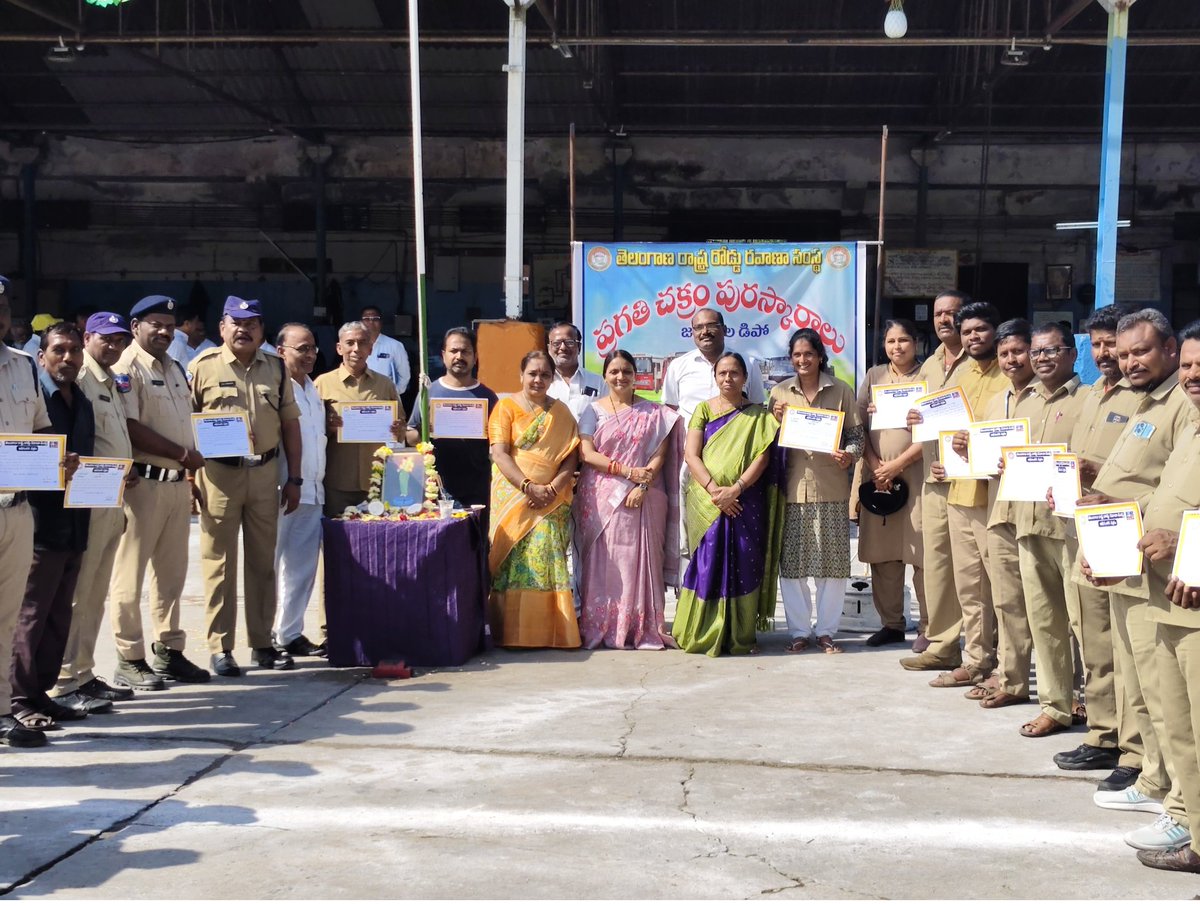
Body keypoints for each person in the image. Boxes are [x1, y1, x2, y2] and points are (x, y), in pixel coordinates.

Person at [1078, 308, 1192, 845]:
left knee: (1168, 694)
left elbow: (1167, 495)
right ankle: (1155, 780)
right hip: (1134, 554)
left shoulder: (1182, 406)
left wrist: (1115, 506)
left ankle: (1177, 799)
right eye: (1123, 354)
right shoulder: (1139, 400)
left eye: (1140, 351)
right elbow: (1151, 485)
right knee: (1142, 684)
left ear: (1168, 349)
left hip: (1171, 568)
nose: (1128, 361)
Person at [190, 296, 303, 677]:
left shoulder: (275, 368)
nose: (243, 329)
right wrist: (191, 476)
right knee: (218, 564)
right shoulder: (201, 367)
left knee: (262, 563)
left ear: (262, 331)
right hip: (218, 476)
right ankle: (220, 648)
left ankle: (261, 643)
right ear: (222, 328)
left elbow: (290, 424)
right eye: (235, 322)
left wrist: (295, 478)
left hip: (265, 473)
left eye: (252, 323)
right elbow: (184, 424)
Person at [1126, 320, 1200, 873]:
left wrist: (1186, 543)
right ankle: (1196, 836)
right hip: (1165, 591)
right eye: (1191, 366)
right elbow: (1161, 498)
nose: (1193, 376)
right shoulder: (1193, 426)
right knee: (1179, 726)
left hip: (1194, 602)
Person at [903, 300, 1008, 688]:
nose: (972, 336)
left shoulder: (1010, 374)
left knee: (1001, 584)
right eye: (967, 331)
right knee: (968, 583)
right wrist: (924, 425)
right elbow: (950, 426)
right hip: (956, 487)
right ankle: (975, 659)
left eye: (979, 329)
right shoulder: (961, 374)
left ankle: (1007, 667)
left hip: (994, 493)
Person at [109, 295, 210, 689]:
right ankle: (129, 657)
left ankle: (169, 650)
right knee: (129, 577)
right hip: (142, 486)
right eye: (156, 324)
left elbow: (184, 423)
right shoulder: (126, 368)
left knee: (171, 577)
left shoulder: (174, 367)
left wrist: (189, 475)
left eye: (169, 325)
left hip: (173, 486)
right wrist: (183, 454)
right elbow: (130, 426)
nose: (165, 332)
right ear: (135, 328)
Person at [1065, 303, 1145, 791]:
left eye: (1111, 342)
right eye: (1096, 344)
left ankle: (1133, 751)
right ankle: (1102, 733)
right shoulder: (1095, 393)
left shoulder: (1149, 399)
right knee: (1093, 637)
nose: (1106, 353)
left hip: (1125, 529)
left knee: (1128, 648)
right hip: (1086, 527)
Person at [52, 314, 139, 710]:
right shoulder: (81, 376)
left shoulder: (108, 378)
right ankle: (65, 679)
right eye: (106, 339)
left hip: (110, 496)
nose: (114, 346)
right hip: (85, 499)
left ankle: (84, 673)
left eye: (121, 340)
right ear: (88, 337)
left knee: (95, 594)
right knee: (77, 594)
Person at [11, 324, 94, 732]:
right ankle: (19, 698)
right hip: (40, 524)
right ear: (41, 355)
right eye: (59, 350)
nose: (68, 358)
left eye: (75, 351)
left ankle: (41, 692)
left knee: (58, 614)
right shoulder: (38, 395)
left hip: (75, 522)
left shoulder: (81, 398)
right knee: (30, 615)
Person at [672, 352, 782, 656]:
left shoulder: (759, 416)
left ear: (745, 378)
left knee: (744, 560)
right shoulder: (703, 410)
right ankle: (700, 631)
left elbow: (763, 457)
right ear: (715, 377)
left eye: (734, 373)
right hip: (706, 502)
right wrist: (714, 490)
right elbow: (691, 454)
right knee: (706, 561)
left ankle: (738, 633)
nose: (728, 379)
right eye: (722, 373)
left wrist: (736, 489)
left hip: (745, 501)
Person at [574, 349, 683, 649]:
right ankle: (602, 625)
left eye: (627, 371)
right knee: (603, 563)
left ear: (636, 376)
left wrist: (642, 486)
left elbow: (659, 455)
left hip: (641, 499)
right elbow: (586, 453)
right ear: (605, 375)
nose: (620, 377)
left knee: (636, 562)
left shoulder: (654, 413)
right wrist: (626, 471)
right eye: (614, 371)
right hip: (601, 498)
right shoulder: (592, 411)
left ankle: (638, 626)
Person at [1008, 321, 1084, 739]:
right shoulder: (1025, 401)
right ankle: (1055, 706)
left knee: (1082, 622)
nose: (1041, 359)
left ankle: (1093, 703)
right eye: (1036, 352)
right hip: (1029, 522)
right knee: (1044, 621)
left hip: (1070, 528)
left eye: (1051, 351)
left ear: (1072, 354)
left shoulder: (1086, 400)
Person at [769, 329, 863, 654]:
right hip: (792, 490)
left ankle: (825, 632)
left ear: (820, 355)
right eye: (797, 355)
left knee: (832, 566)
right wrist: (773, 419)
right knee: (792, 567)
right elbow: (767, 444)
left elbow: (856, 435)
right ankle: (798, 631)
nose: (803, 360)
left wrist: (848, 454)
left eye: (808, 354)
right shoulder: (779, 394)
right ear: (790, 358)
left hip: (831, 488)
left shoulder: (841, 390)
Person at [487, 350, 581, 648]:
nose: (538, 379)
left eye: (544, 374)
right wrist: (528, 486)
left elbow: (571, 457)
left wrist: (551, 489)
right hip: (514, 496)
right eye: (533, 373)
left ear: (552, 378)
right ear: (521, 375)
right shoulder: (505, 407)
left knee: (546, 558)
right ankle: (510, 632)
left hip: (551, 500)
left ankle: (547, 631)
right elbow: (500, 453)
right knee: (513, 563)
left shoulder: (562, 413)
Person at [965, 318, 1036, 708]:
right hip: (1000, 511)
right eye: (1005, 354)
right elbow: (983, 456)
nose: (1011, 360)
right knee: (1007, 601)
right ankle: (1012, 680)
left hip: (1040, 515)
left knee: (1054, 609)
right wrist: (964, 453)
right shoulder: (997, 402)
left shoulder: (1049, 398)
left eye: (1018, 352)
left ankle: (1073, 692)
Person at [0, 281, 57, 748]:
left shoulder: (22, 367)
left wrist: (57, 458)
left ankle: (1, 710)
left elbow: (40, 428)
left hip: (17, 510)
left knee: (6, 616)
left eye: (1, 308)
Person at [906, 290, 970, 653]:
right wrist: (913, 417)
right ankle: (942, 641)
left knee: (973, 569)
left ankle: (982, 645)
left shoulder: (982, 362)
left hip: (970, 479)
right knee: (937, 563)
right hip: (933, 478)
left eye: (952, 313)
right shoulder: (929, 365)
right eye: (938, 314)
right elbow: (922, 415)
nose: (944, 319)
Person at [856, 318, 926, 647]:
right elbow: (859, 424)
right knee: (883, 556)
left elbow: (937, 427)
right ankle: (892, 623)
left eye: (903, 341)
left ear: (917, 343)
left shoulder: (929, 376)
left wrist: (898, 464)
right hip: (879, 477)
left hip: (917, 473)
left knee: (922, 553)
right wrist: (875, 466)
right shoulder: (874, 376)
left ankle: (929, 626)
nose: (896, 347)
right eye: (890, 341)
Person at [272, 323, 328, 659]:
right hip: (282, 489)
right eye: (301, 349)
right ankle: (265, 637)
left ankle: (289, 633)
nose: (308, 355)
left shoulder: (312, 388)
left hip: (313, 489)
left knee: (302, 568)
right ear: (281, 351)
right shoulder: (274, 387)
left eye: (312, 349)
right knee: (271, 566)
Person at [314, 320, 405, 517]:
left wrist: (398, 430)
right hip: (337, 480)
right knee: (337, 540)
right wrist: (328, 427)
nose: (356, 349)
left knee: (376, 541)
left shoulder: (385, 384)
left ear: (370, 349)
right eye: (350, 343)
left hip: (376, 480)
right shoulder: (323, 384)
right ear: (339, 348)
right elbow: (309, 431)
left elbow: (402, 427)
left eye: (363, 343)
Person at [406, 327, 498, 512]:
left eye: (465, 351)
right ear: (443, 355)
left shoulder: (487, 396)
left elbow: (499, 443)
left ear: (475, 356)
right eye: (453, 351)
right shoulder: (429, 392)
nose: (459, 356)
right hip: (437, 488)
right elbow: (410, 436)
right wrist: (427, 430)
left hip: (478, 488)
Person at [661, 309, 765, 426]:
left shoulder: (749, 364)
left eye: (711, 326)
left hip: (733, 441)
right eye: (698, 327)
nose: (705, 332)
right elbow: (669, 411)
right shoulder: (678, 366)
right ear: (692, 333)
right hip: (687, 441)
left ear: (724, 330)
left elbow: (757, 408)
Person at [546, 321, 607, 420]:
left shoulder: (598, 382)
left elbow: (606, 419)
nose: (563, 347)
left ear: (579, 347)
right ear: (549, 348)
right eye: (556, 343)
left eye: (569, 342)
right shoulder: (542, 383)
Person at [360, 304, 411, 397]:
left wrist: (394, 392)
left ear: (381, 322)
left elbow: (404, 375)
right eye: (367, 319)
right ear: (360, 323)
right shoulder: (356, 345)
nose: (371, 322)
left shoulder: (395, 345)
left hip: (386, 397)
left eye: (375, 318)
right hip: (361, 397)